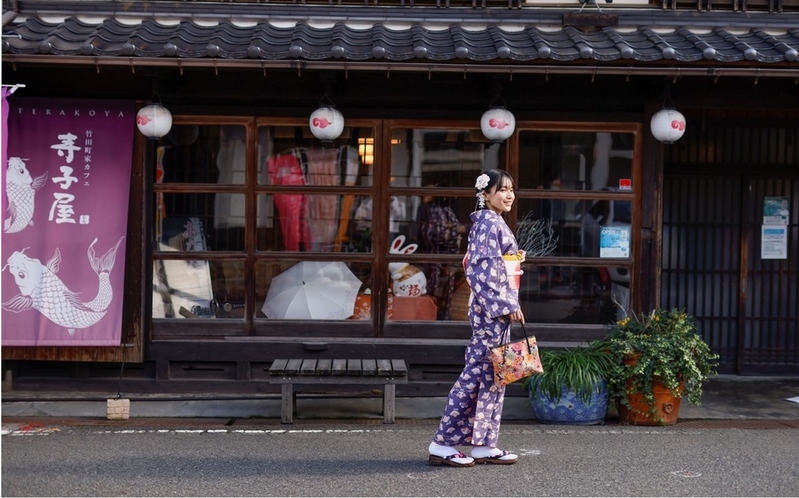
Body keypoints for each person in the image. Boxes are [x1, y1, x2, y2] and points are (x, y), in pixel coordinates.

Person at [427, 169, 526, 467]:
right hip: (490, 310)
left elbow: (494, 264)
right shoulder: (487, 225)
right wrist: (506, 303)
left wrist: (514, 259)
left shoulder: (494, 222)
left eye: (511, 189)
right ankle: (442, 443)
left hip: (494, 309)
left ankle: (484, 443)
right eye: (502, 190)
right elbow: (481, 271)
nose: (509, 195)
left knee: (495, 375)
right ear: (485, 195)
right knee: (475, 375)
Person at [420, 186, 466, 320]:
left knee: (445, 290)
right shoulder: (433, 210)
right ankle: (434, 317)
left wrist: (453, 228)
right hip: (437, 256)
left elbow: (454, 227)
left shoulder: (444, 209)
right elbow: (439, 233)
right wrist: (456, 229)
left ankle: (441, 318)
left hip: (446, 257)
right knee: (435, 289)